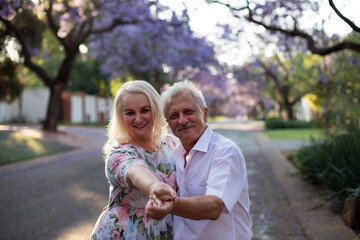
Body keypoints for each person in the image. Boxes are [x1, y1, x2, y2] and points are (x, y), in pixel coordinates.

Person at [146, 80, 253, 240]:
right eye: (174, 115)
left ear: (205, 113)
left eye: (188, 111)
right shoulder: (174, 154)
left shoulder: (225, 152)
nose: (182, 120)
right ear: (168, 122)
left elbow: (214, 207)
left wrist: (172, 206)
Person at [91, 80, 179, 240]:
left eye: (145, 110)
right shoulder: (119, 153)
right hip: (126, 233)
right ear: (121, 117)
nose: (138, 119)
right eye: (130, 113)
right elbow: (133, 169)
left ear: (156, 109)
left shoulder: (172, 143)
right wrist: (154, 186)